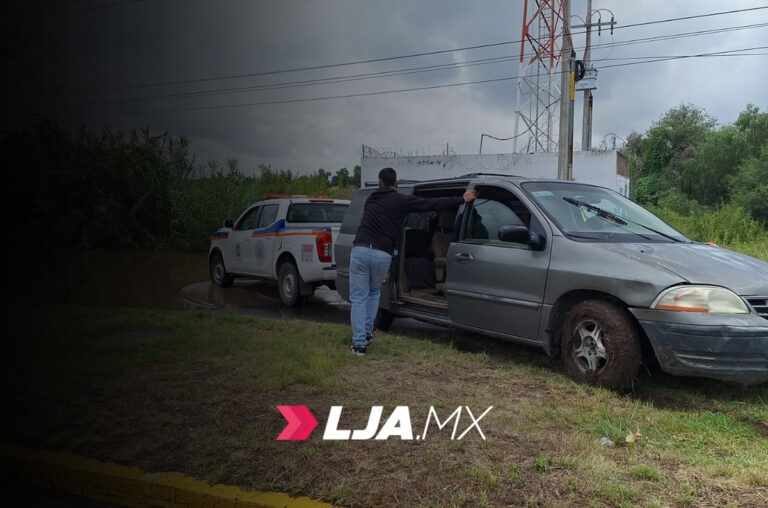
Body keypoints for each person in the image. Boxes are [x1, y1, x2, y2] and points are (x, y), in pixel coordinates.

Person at [349, 167, 477, 356]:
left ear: (379, 183)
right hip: (381, 254)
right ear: (396, 184)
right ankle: (366, 335)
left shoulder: (371, 199)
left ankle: (359, 345)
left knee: (359, 298)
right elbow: (430, 203)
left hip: (360, 250)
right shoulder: (400, 200)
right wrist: (461, 199)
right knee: (374, 293)